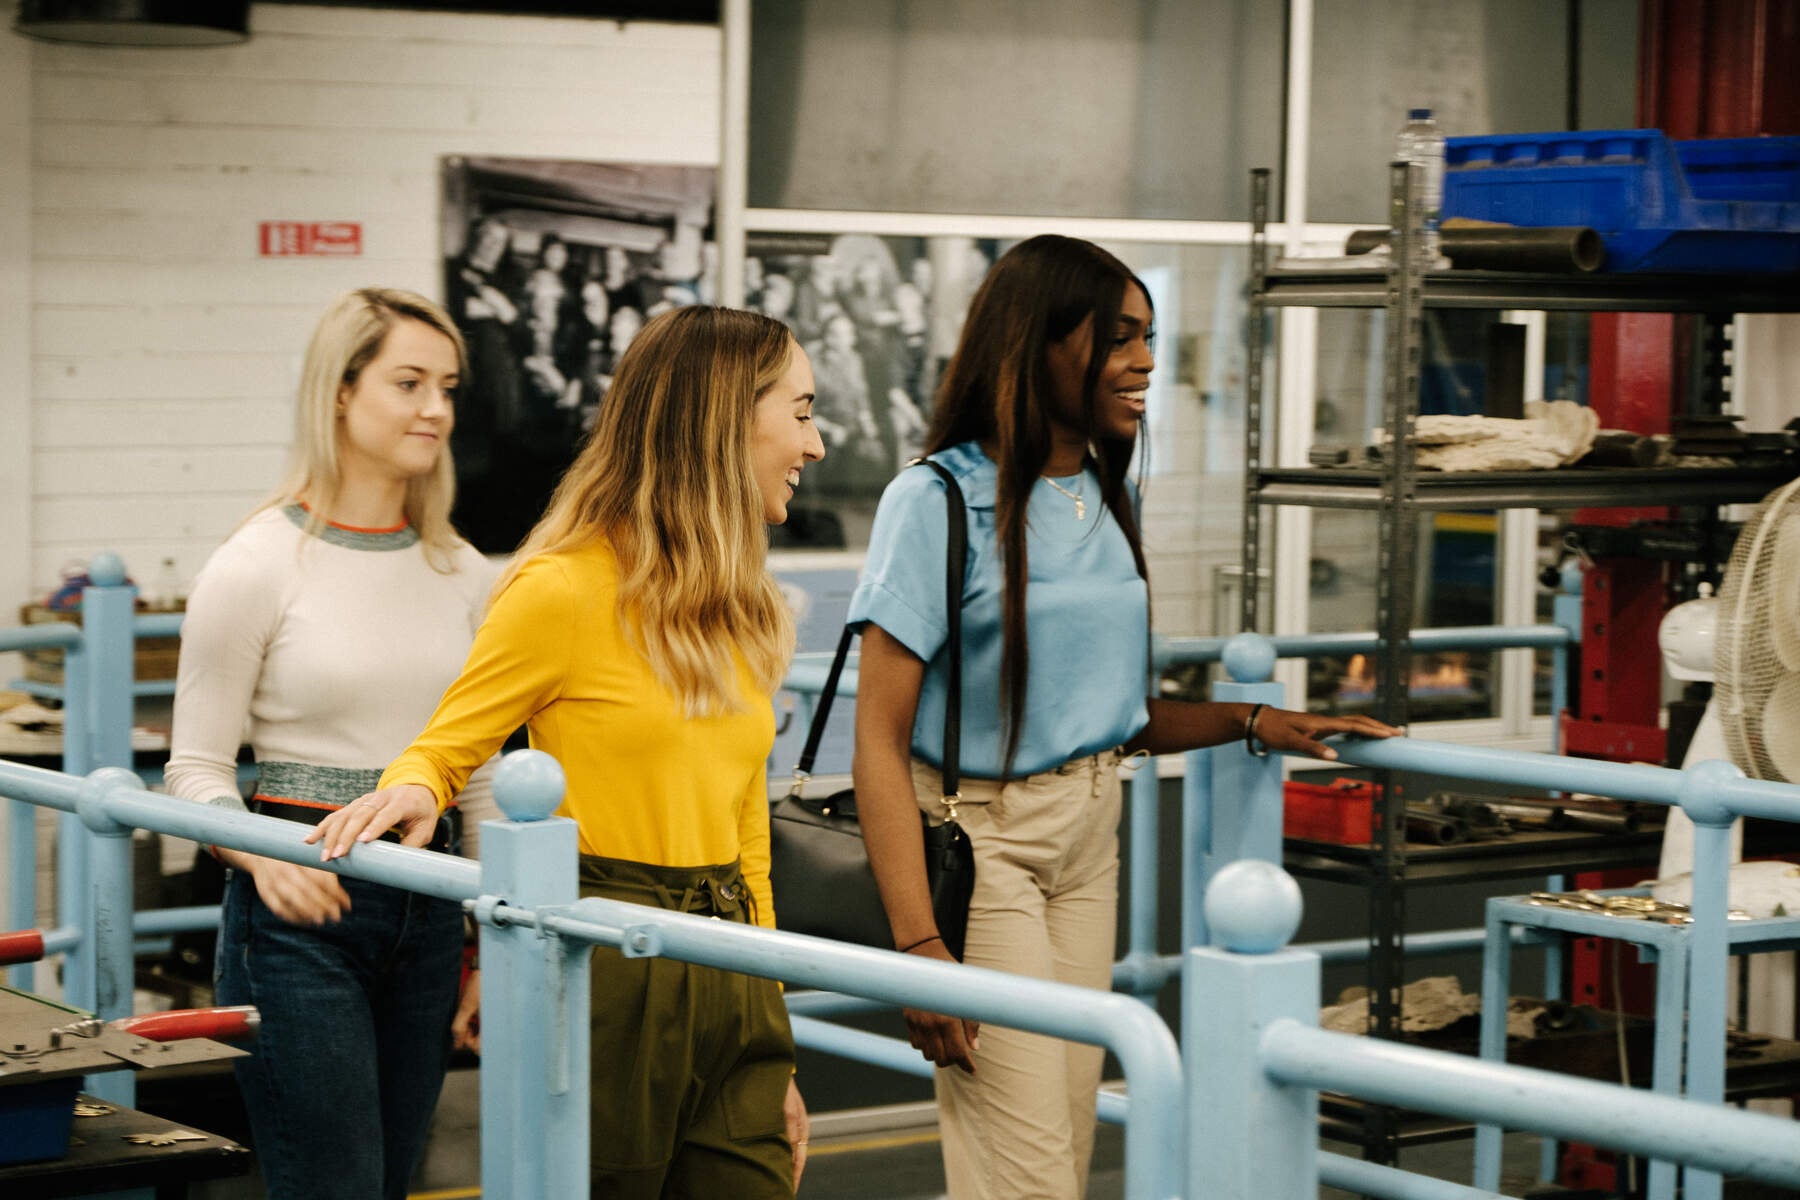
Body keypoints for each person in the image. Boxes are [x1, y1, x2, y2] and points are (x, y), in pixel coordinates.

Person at [848, 234, 1399, 1200]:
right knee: (1027, 1174)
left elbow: (1113, 713)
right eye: (1120, 339)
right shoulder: (934, 498)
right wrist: (918, 950)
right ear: (1039, 345)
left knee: (1060, 1141)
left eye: (1150, 337)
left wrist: (1251, 721)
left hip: (1090, 838)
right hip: (986, 848)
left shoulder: (1106, 488)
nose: (1146, 362)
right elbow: (878, 743)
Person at [308, 305, 825, 1198]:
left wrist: (770, 1031)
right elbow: (445, 744)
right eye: (804, 412)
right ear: (722, 419)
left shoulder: (751, 611)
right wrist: (415, 789)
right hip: (607, 961)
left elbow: (747, 835)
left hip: (732, 960)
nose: (815, 446)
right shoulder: (563, 587)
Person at [164, 287, 498, 1200]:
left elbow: (482, 778)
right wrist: (264, 859)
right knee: (336, 1186)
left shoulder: (462, 571)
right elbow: (192, 772)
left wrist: (490, 949)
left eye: (448, 386)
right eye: (409, 383)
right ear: (340, 394)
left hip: (431, 913)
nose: (436, 408)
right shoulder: (256, 563)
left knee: (391, 1184)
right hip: (298, 918)